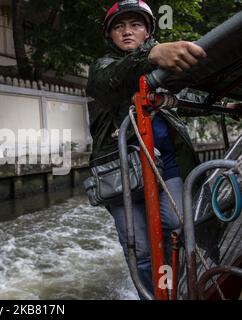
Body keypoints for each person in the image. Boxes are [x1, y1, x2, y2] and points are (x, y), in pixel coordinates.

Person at [86, 0, 206, 299]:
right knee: (139, 247)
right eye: (119, 26)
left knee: (176, 227)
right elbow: (109, 81)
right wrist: (152, 53)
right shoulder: (104, 67)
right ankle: (152, 295)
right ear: (110, 35)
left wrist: (225, 105)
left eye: (135, 25)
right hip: (121, 171)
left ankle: (177, 287)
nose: (127, 32)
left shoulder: (167, 71)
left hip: (169, 164)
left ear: (148, 30)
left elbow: (187, 98)